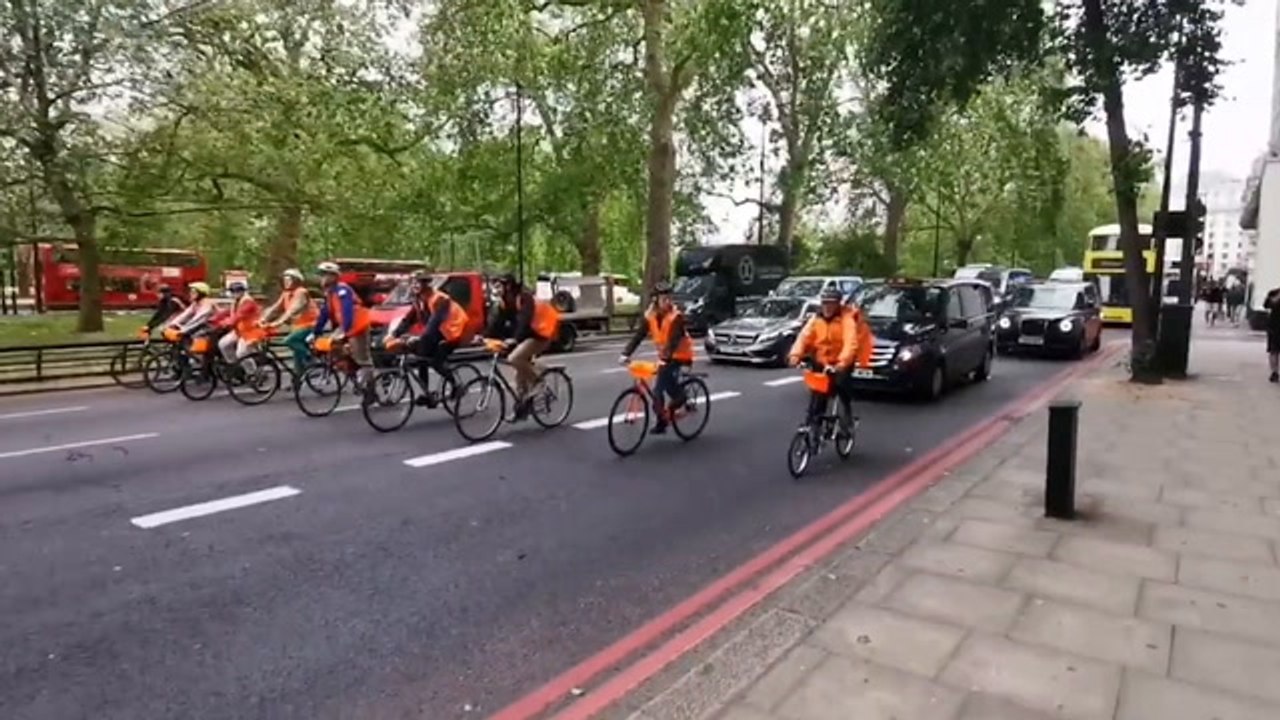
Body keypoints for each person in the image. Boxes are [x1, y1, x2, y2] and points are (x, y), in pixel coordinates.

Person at [618, 281, 694, 434]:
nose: (667, 301)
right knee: (660, 389)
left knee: (659, 390)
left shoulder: (676, 317)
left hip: (679, 356)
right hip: (665, 357)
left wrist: (665, 358)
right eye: (663, 299)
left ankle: (674, 408)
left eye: (669, 298)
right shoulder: (650, 315)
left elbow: (673, 342)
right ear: (656, 301)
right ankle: (663, 418)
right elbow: (639, 336)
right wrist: (626, 353)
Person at [389, 271, 470, 407]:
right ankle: (426, 393)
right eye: (412, 282)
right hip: (440, 332)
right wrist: (394, 334)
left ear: (426, 285)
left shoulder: (439, 299)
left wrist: (419, 338)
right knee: (421, 357)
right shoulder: (419, 300)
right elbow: (408, 320)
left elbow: (434, 324)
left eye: (417, 282)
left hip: (453, 333)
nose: (414, 285)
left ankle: (457, 384)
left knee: (435, 360)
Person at [487, 273, 560, 418]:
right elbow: (496, 324)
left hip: (541, 334)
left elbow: (524, 321)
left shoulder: (524, 298)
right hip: (528, 334)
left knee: (514, 359)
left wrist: (514, 339)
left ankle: (539, 383)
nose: (496, 288)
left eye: (499, 285)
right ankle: (522, 408)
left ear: (508, 286)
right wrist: (483, 337)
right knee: (519, 375)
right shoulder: (504, 302)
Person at [789, 288, 859, 433]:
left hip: (841, 361)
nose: (827, 307)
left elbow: (850, 343)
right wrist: (795, 356)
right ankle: (813, 424)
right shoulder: (816, 320)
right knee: (818, 392)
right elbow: (804, 337)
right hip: (822, 360)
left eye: (831, 303)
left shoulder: (846, 320)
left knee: (841, 383)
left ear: (838, 304)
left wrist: (842, 363)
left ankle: (847, 412)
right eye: (825, 303)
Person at [308, 261, 373, 387]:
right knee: (332, 348)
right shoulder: (330, 293)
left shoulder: (342, 289)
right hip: (345, 326)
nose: (322, 278)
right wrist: (315, 332)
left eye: (325, 275)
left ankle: (371, 390)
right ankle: (353, 371)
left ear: (334, 277)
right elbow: (325, 314)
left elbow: (347, 310)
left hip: (358, 326)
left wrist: (344, 331)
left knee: (362, 358)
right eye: (321, 275)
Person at [261, 268, 319, 375]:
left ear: (296, 281)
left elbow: (293, 309)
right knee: (297, 354)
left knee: (289, 341)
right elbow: (275, 308)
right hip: (297, 327)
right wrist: (263, 318)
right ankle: (297, 379)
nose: (286, 282)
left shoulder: (301, 292)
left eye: (289, 279)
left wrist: (278, 322)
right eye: (284, 280)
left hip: (310, 325)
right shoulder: (286, 294)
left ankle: (311, 359)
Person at [218, 280, 262, 364]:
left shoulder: (248, 302)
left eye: (238, 291)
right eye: (233, 291)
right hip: (240, 331)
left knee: (241, 353)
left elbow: (238, 316)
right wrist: (213, 319)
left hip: (251, 332)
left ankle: (252, 373)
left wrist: (225, 323)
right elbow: (227, 312)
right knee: (223, 344)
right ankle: (234, 365)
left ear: (243, 291)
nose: (235, 293)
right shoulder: (236, 301)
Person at [1266, 286, 1280, 383]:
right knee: (1273, 351)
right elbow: (1266, 305)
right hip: (1274, 327)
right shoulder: (1274, 293)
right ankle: (1274, 372)